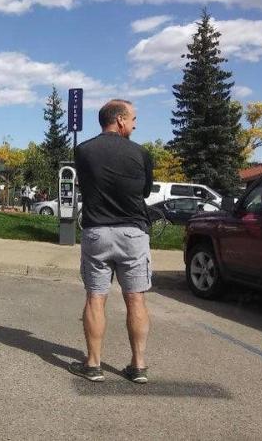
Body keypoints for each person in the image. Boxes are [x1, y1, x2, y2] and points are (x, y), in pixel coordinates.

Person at [69, 99, 154, 384]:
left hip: (97, 232)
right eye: (133, 119)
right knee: (136, 298)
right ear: (119, 120)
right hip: (133, 233)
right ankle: (138, 365)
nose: (135, 125)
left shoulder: (83, 151)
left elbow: (87, 183)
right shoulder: (141, 153)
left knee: (95, 297)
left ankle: (93, 365)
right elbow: (144, 192)